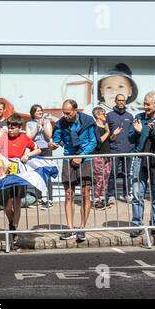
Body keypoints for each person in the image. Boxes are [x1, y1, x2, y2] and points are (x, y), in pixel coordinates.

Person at [49, 99, 99, 241]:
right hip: (68, 157)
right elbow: (57, 139)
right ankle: (70, 229)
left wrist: (81, 157)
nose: (65, 116)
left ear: (76, 111)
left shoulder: (88, 121)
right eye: (64, 113)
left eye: (68, 113)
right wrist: (53, 144)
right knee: (69, 194)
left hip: (85, 158)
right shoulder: (61, 123)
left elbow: (93, 141)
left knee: (85, 194)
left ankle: (82, 228)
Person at [0, 113, 42, 244]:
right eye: (8, 126)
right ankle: (11, 223)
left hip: (19, 174)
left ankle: (14, 228)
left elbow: (38, 150)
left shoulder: (24, 138)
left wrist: (28, 155)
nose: (10, 129)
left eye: (13, 127)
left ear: (19, 127)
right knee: (7, 206)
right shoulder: (3, 137)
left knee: (17, 203)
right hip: (6, 174)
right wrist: (3, 158)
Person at [128, 91, 155, 238]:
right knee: (137, 194)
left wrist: (152, 132)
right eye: (144, 104)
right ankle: (137, 225)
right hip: (140, 159)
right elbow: (130, 138)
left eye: (148, 104)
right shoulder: (138, 118)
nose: (145, 107)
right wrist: (138, 132)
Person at [106, 94, 134, 205]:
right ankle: (111, 195)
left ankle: (126, 194)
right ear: (115, 101)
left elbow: (133, 133)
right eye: (119, 100)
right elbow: (107, 133)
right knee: (112, 173)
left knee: (127, 173)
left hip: (128, 150)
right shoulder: (109, 116)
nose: (121, 102)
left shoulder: (130, 116)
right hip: (114, 150)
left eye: (123, 100)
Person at [26, 104, 54, 209]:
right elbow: (28, 138)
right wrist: (37, 129)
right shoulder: (29, 123)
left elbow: (49, 136)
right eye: (37, 111)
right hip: (34, 150)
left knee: (47, 174)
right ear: (33, 113)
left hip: (46, 149)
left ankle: (50, 200)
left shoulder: (47, 121)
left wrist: (42, 126)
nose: (40, 112)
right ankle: (39, 199)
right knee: (37, 174)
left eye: (41, 110)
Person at [91, 107, 112, 209]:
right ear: (98, 115)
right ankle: (96, 200)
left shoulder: (105, 126)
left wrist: (113, 134)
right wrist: (107, 132)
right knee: (98, 178)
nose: (106, 115)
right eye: (104, 114)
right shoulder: (94, 127)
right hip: (97, 156)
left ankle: (103, 198)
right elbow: (98, 141)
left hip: (107, 155)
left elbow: (109, 141)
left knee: (106, 178)